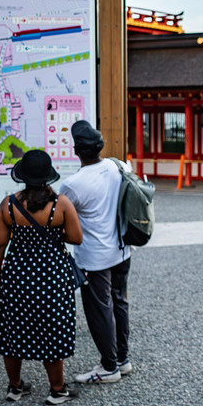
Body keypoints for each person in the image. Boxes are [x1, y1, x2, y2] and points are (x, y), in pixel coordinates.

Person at [0, 150, 83, 405]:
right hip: (52, 275)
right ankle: (56, 389)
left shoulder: (8, 204)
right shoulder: (61, 204)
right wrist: (55, 235)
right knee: (52, 327)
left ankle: (15, 386)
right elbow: (76, 237)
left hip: (17, 274)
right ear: (47, 177)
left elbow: (0, 243)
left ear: (22, 176)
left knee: (12, 328)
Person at [61, 120, 133, 384]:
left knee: (99, 310)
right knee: (119, 303)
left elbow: (64, 220)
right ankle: (122, 359)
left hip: (93, 256)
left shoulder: (73, 184)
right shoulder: (119, 166)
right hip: (122, 249)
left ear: (77, 151)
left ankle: (108, 366)